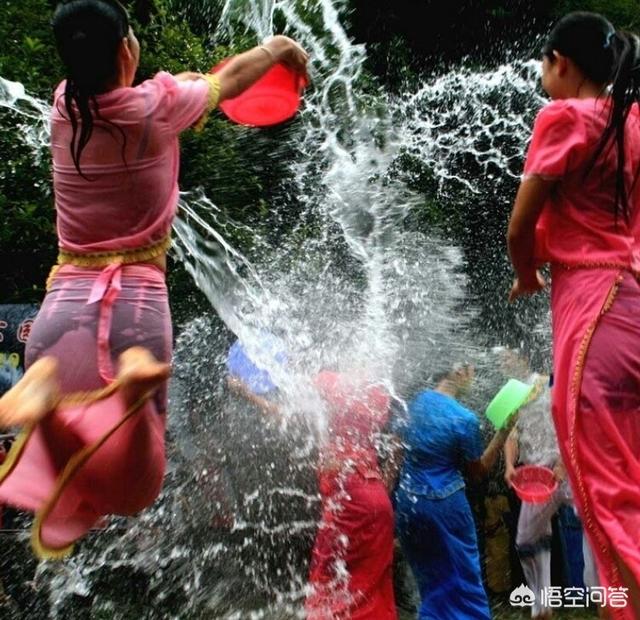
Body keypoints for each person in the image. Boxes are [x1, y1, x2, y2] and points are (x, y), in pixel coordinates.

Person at [0, 0, 308, 559]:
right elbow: (231, 80)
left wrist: (195, 79)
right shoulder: (153, 110)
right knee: (137, 489)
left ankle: (42, 390)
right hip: (135, 312)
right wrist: (279, 50)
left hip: (60, 315)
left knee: (81, 459)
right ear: (125, 51)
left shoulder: (64, 105)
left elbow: (182, 84)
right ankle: (119, 383)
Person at [507, 11, 640, 617]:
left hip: (593, 313)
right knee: (630, 479)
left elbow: (518, 226)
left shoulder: (565, 117)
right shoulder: (632, 120)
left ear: (561, 61)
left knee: (607, 495)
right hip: (631, 303)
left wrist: (526, 273)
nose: (540, 76)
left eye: (543, 64)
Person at [228, 365, 398, 619]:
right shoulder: (377, 393)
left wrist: (245, 392)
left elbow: (283, 415)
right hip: (378, 500)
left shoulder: (329, 383)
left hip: (348, 500)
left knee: (329, 589)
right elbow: (395, 446)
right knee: (371, 591)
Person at [394, 364, 515, 620]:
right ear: (458, 371)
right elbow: (478, 471)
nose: (473, 377)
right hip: (445, 507)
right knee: (464, 583)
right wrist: (503, 431)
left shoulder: (414, 403)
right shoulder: (464, 418)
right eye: (470, 371)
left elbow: (396, 449)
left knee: (430, 585)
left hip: (409, 503)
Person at [504, 374, 597, 619]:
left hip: (571, 473)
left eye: (509, 359)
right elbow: (513, 433)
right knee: (525, 538)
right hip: (538, 480)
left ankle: (601, 589)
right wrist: (509, 465)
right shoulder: (519, 391)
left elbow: (578, 427)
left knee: (595, 525)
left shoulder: (561, 385)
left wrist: (565, 465)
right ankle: (542, 602)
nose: (505, 364)